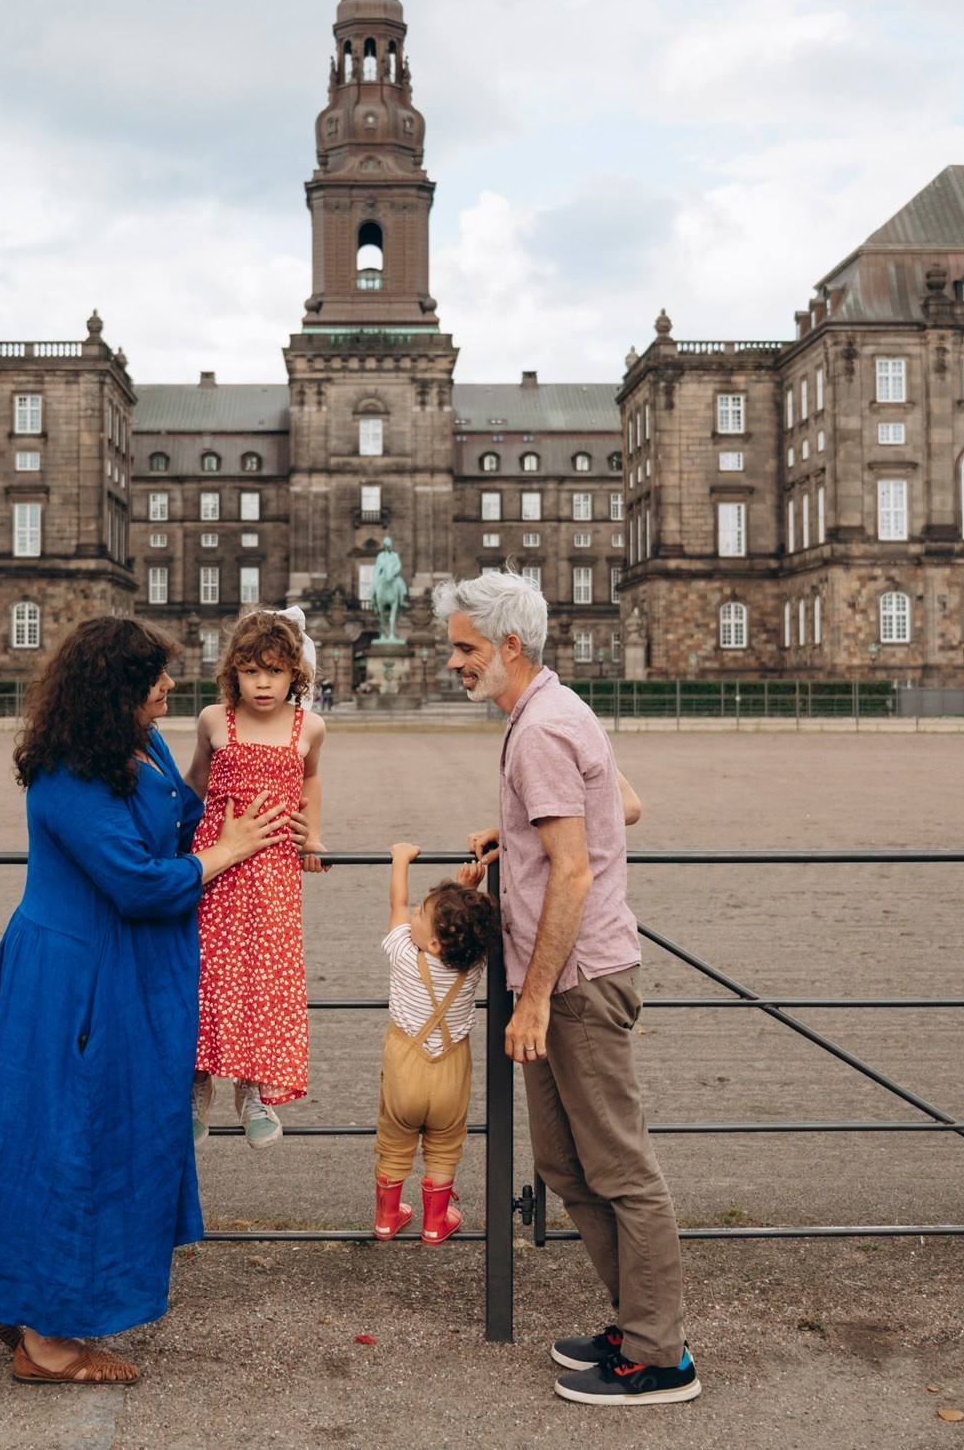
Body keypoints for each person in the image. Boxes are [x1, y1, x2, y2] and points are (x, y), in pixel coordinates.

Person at [0, 616, 287, 1386]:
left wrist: (247, 812)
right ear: (114, 687)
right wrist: (226, 852)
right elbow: (136, 880)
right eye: (153, 677)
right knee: (64, 1141)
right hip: (71, 979)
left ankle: (29, 1305)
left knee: (98, 1136)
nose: (167, 688)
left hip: (121, 971)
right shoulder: (68, 771)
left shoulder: (143, 744)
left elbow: (176, 816)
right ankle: (47, 1342)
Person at [438, 570, 697, 1407]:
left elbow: (575, 871)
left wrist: (539, 994)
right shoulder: (553, 708)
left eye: (465, 648)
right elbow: (624, 802)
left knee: (620, 1168)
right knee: (562, 1162)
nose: (453, 662)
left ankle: (661, 1356)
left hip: (576, 982)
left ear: (510, 645)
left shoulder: (543, 726)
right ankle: (638, 1322)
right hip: (568, 975)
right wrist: (514, 835)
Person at [184, 607, 327, 1146]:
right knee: (207, 973)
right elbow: (192, 785)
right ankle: (197, 1085)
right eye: (250, 669)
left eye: (274, 670)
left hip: (272, 869)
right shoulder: (213, 720)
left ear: (295, 673)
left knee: (265, 979)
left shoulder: (308, 726)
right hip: (216, 866)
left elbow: (311, 782)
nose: (262, 682)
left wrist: (311, 835)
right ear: (232, 673)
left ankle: (253, 1089)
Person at [372, 839, 500, 1245]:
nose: (413, 913)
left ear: (432, 943)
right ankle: (435, 1222)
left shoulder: (405, 955)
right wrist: (470, 893)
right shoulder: (474, 962)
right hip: (450, 1069)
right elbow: (471, 930)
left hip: (404, 1065)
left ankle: (387, 1219)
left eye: (421, 915)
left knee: (394, 1142)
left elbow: (396, 906)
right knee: (444, 1146)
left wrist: (399, 860)